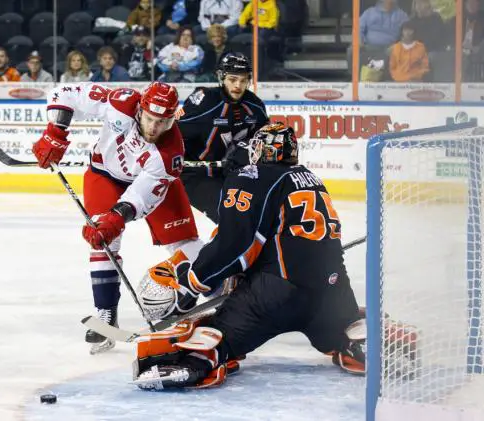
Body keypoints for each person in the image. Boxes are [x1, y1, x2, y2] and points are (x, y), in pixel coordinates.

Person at [132, 124, 418, 390]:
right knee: (337, 329)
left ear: (266, 150)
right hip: (333, 292)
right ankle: (356, 345)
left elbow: (235, 246)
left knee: (216, 332)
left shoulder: (253, 176)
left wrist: (193, 283)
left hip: (276, 294)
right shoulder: (311, 178)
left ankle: (199, 362)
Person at [30, 81, 205, 354]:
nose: (154, 128)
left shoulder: (170, 154)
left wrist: (116, 218)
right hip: (104, 175)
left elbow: (141, 195)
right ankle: (106, 314)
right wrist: (55, 132)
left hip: (149, 187)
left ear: (173, 119)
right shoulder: (120, 102)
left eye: (163, 122)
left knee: (187, 244)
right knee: (103, 243)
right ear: (140, 110)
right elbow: (64, 93)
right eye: (150, 119)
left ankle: (218, 292)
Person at [178, 52, 268, 223]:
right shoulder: (205, 100)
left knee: (259, 214)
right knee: (231, 217)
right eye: (233, 79)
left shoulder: (255, 106)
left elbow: (263, 139)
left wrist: (245, 152)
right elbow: (174, 130)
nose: (238, 85)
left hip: (231, 175)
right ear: (222, 77)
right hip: (196, 174)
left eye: (243, 80)